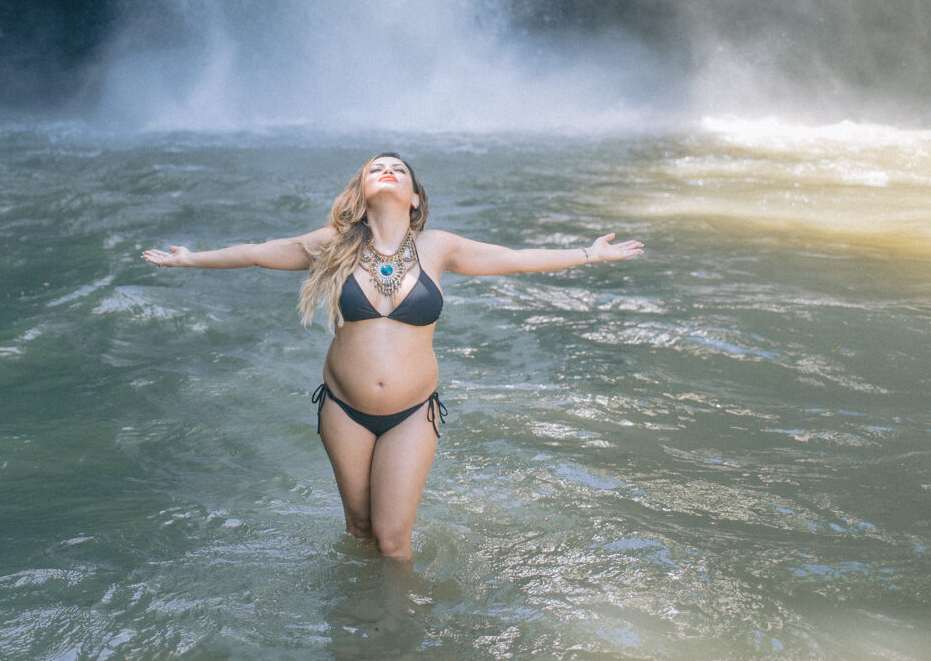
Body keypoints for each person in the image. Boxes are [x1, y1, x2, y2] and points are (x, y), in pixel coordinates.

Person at [142, 153, 643, 560]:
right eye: (376, 168)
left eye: (398, 169)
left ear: (415, 196)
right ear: (361, 191)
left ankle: (400, 631)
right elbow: (258, 251)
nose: (387, 171)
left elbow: (514, 259)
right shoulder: (332, 245)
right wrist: (191, 259)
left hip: (412, 413)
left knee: (393, 542)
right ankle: (361, 623)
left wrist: (589, 253)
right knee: (359, 529)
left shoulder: (438, 247)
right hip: (344, 409)